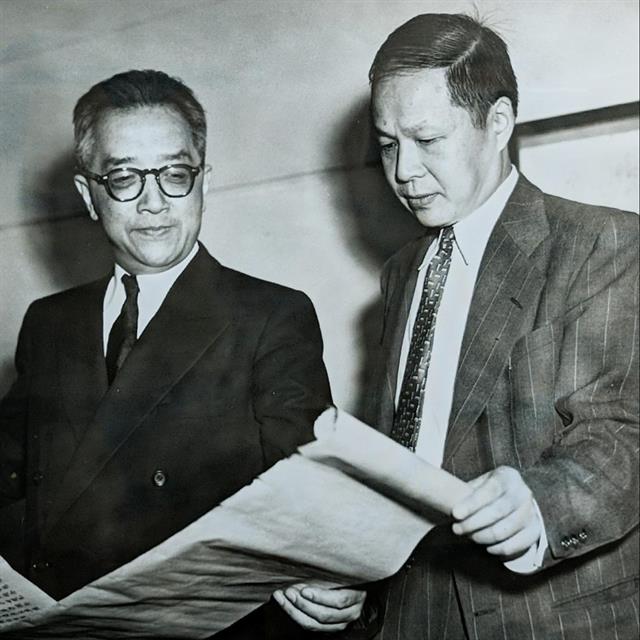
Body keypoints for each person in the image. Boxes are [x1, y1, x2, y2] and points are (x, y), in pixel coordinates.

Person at [0, 69, 347, 638]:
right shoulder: (49, 323)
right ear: (89, 196)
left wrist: (337, 584)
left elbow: (311, 505)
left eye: (175, 174)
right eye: (124, 178)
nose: (154, 202)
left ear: (203, 181)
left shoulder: (269, 316)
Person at [358, 12, 639, 639]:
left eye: (427, 139)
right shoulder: (401, 273)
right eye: (388, 144)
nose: (403, 171)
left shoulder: (604, 243)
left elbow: (623, 432)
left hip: (545, 617)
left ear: (499, 122)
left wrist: (543, 502)